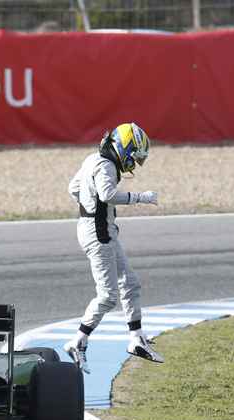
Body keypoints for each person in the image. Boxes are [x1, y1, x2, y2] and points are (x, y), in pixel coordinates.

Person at [64, 122, 164, 374]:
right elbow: (108, 193)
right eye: (132, 156)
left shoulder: (92, 159)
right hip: (99, 235)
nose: (132, 163)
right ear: (123, 148)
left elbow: (73, 188)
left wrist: (88, 207)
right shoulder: (106, 165)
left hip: (97, 230)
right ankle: (78, 342)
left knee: (130, 283)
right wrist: (138, 197)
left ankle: (137, 339)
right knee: (107, 295)